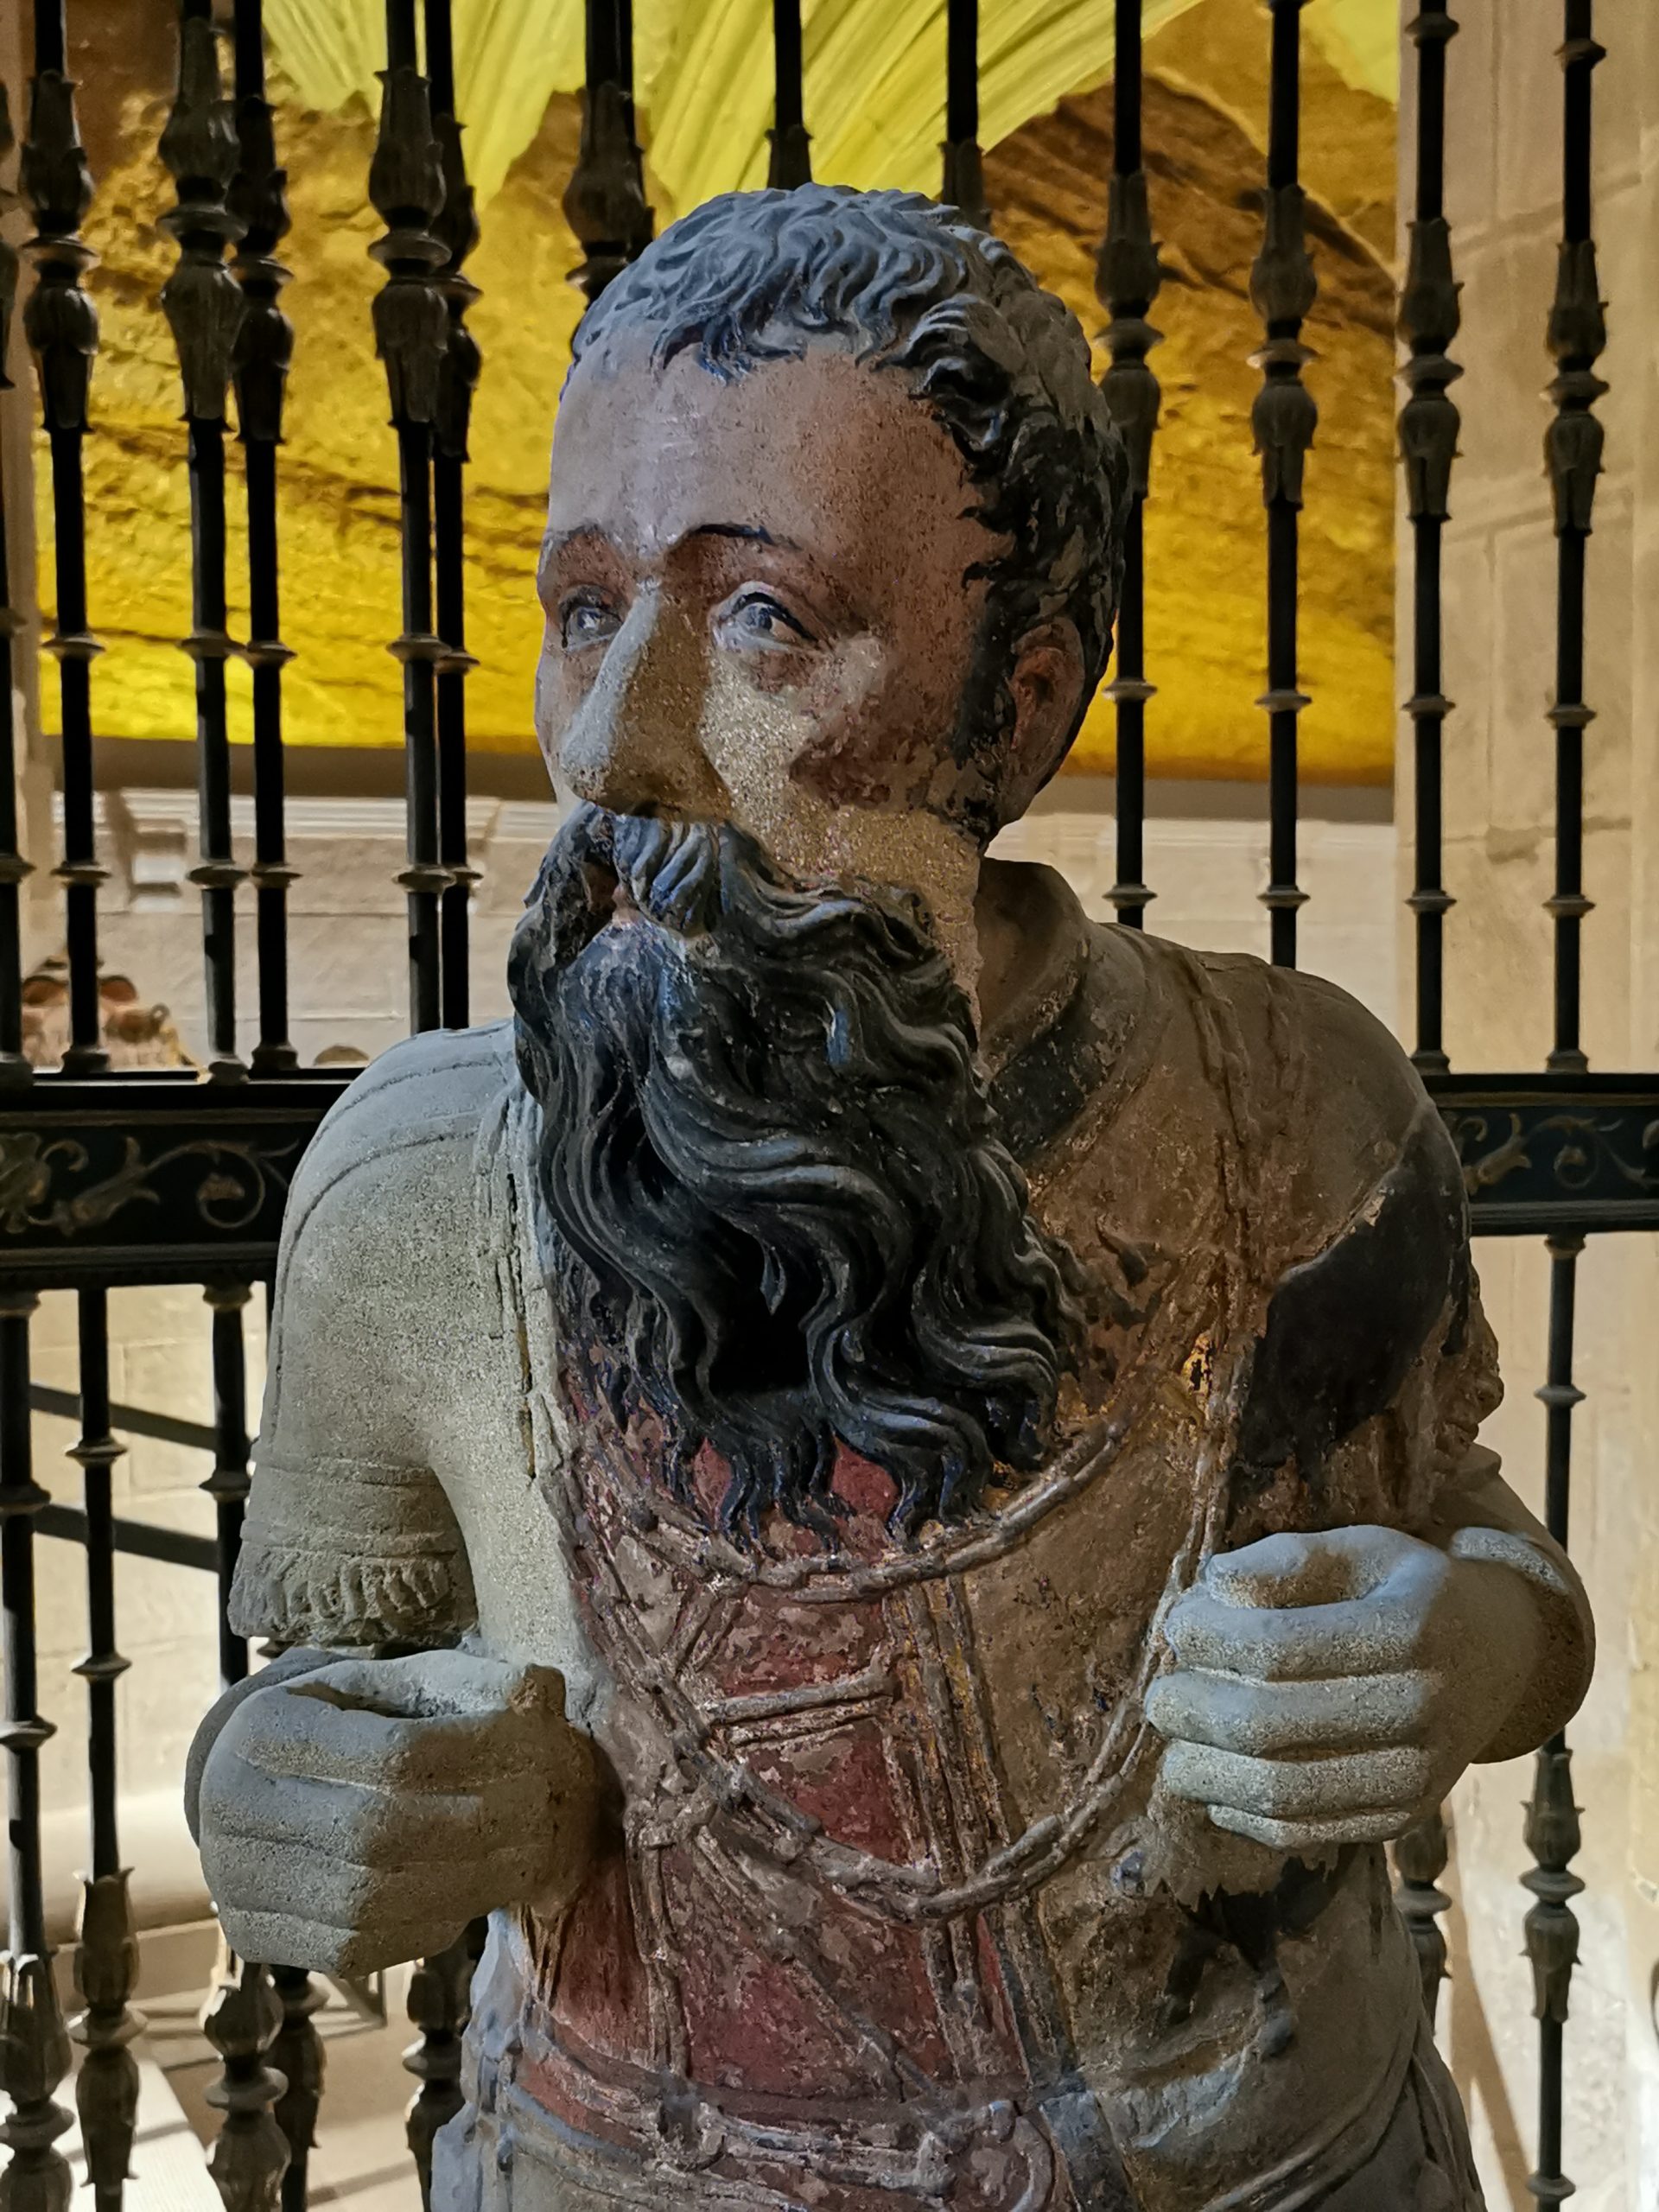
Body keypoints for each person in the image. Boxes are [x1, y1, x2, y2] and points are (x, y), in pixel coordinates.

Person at [188, 187, 1590, 2212]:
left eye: (763, 619)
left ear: (1022, 694)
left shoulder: (1293, 1108)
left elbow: (1474, 1536)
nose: (614, 748)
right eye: (585, 608)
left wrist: (1469, 1646)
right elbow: (320, 1687)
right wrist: (274, 1787)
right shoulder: (419, 1185)